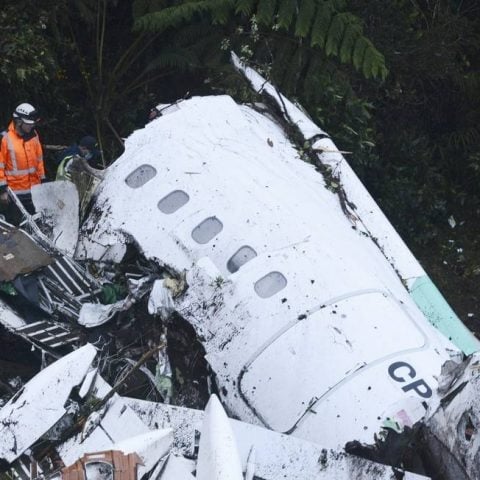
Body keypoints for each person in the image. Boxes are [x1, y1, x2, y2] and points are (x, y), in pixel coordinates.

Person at [0, 103, 44, 216]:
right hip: (14, 195)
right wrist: (2, 190)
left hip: (34, 192)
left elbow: (39, 160)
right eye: (29, 123)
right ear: (19, 121)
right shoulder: (5, 138)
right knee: (17, 229)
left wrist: (43, 181)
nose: (32, 126)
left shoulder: (33, 135)